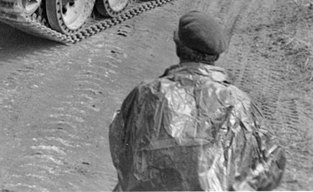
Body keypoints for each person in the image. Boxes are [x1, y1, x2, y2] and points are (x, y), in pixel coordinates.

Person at [109, 10, 286, 191]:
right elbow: (272, 164)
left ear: (178, 45)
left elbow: (120, 147)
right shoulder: (238, 102)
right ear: (216, 56)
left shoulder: (146, 94)